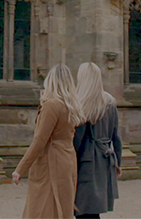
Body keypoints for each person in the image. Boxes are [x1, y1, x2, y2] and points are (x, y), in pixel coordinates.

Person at [12, 64, 83, 219]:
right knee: (63, 208)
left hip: (51, 162)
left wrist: (20, 169)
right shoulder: (70, 105)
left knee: (43, 209)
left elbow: (40, 140)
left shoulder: (52, 105)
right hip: (67, 159)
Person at [73, 63, 122, 219]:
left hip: (86, 161)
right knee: (94, 209)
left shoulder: (81, 104)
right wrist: (117, 163)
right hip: (105, 160)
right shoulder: (110, 102)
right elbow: (117, 138)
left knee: (83, 209)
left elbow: (77, 141)